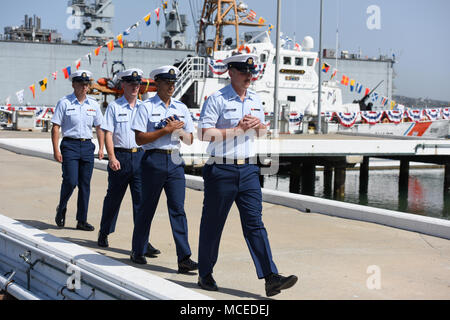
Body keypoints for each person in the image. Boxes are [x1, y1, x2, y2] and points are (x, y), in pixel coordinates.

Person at [197, 53, 298, 297]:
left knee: (255, 224)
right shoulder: (217, 99)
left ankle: (270, 277)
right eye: (243, 72)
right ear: (230, 72)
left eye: (251, 72)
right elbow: (204, 134)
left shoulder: (255, 99)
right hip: (221, 168)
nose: (248, 76)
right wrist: (237, 129)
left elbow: (262, 134)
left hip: (249, 169)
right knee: (213, 224)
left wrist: (260, 126)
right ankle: (205, 273)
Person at [129, 65, 198, 273]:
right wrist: (165, 130)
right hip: (154, 159)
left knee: (178, 209)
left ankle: (184, 258)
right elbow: (140, 138)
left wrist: (178, 132)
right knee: (147, 208)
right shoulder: (146, 107)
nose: (171, 86)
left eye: (173, 82)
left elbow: (190, 140)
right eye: (167, 82)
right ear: (157, 83)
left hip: (175, 160)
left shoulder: (181, 107)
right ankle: (138, 250)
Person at [97, 68, 160, 256]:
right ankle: (104, 231)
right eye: (131, 84)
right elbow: (108, 133)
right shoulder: (115, 107)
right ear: (123, 85)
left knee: (142, 202)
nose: (135, 87)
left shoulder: (145, 107)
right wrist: (112, 157)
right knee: (113, 199)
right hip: (121, 157)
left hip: (141, 158)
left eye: (137, 84)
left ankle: (143, 242)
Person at [51, 70, 104, 231]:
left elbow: (100, 127)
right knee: (70, 181)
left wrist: (101, 147)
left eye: (86, 84)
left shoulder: (93, 104)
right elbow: (55, 127)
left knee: (85, 184)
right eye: (80, 83)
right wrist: (55, 150)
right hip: (70, 146)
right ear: (73, 84)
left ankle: (82, 220)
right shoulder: (64, 102)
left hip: (87, 146)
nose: (84, 87)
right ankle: (62, 207)